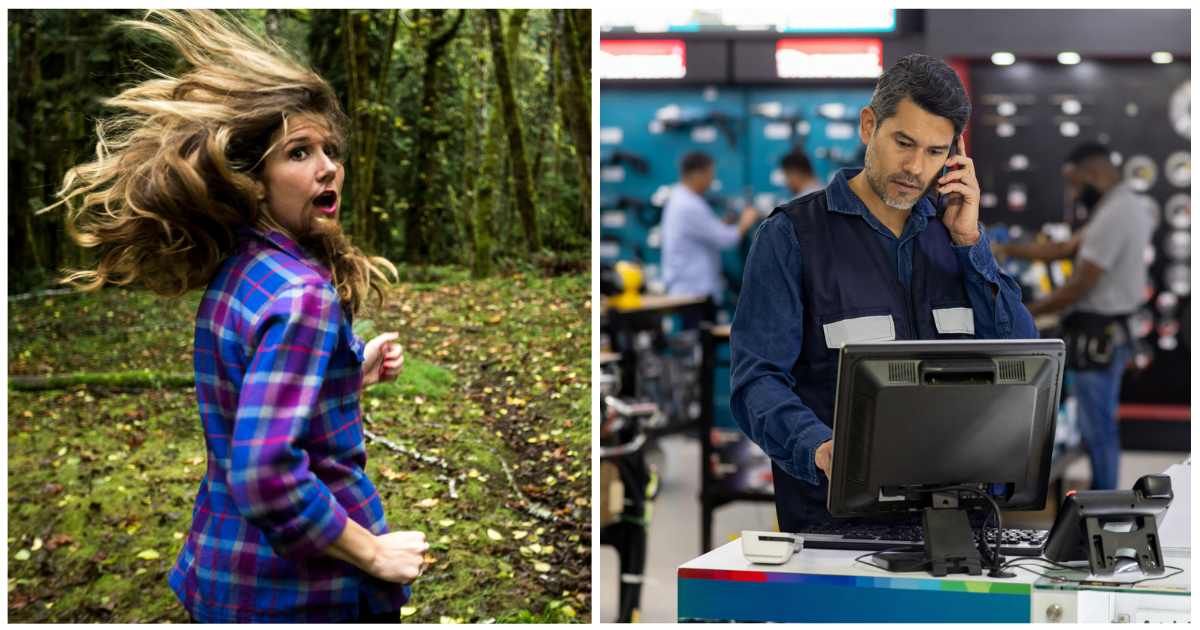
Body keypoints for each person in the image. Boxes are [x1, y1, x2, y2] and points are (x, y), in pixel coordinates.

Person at [45, 11, 426, 622]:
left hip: (226, 567)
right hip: (296, 590)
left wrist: (348, 377)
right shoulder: (303, 296)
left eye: (330, 150)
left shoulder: (241, 273)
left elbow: (252, 410)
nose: (327, 166)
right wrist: (374, 553)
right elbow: (266, 471)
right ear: (253, 181)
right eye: (299, 153)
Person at [729, 54, 1038, 531]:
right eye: (903, 142)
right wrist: (819, 447)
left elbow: (1024, 362)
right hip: (839, 530)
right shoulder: (792, 237)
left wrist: (970, 245)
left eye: (935, 152)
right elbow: (757, 381)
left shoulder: (959, 237)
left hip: (961, 525)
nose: (915, 168)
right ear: (869, 125)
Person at [993, 142, 1157, 489]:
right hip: (1108, 334)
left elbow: (1080, 285)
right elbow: (1063, 249)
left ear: (1092, 173)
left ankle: (1103, 511)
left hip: (1098, 337)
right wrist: (1006, 249)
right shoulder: (1122, 204)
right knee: (1097, 427)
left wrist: (1023, 311)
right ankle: (1103, 502)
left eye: (1074, 182)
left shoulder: (1116, 214)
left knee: (1098, 430)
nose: (1072, 192)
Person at [661, 151, 761, 302]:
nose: (712, 179)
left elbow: (704, 232)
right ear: (696, 174)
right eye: (709, 174)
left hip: (690, 288)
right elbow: (725, 239)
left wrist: (724, 224)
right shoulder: (689, 205)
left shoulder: (681, 198)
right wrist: (746, 220)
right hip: (693, 291)